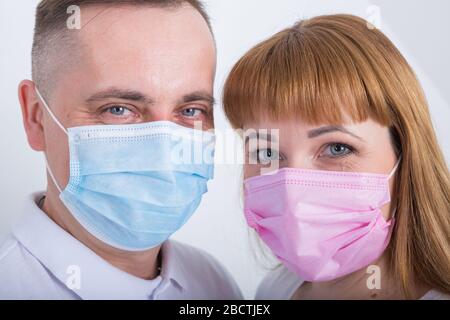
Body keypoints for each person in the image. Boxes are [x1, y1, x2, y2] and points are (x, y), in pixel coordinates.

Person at [0, 0, 242, 300]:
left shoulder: (214, 285)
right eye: (118, 109)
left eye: (191, 110)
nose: (164, 150)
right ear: (36, 116)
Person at [222, 14, 450, 300]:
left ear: (404, 153)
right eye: (267, 152)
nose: (293, 190)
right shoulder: (275, 290)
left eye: (336, 148)